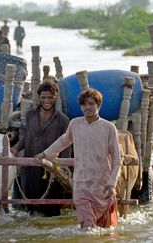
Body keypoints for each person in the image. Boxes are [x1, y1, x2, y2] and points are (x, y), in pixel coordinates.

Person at [35, 88, 121, 229]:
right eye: (84, 104)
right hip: (81, 183)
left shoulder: (109, 128)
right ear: (80, 107)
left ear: (98, 105)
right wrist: (45, 154)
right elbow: (64, 141)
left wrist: (112, 183)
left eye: (91, 104)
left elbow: (117, 160)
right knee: (87, 224)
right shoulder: (75, 124)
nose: (87, 107)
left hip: (102, 185)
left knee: (103, 227)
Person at [11, 80, 71, 217]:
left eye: (50, 97)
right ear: (38, 98)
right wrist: (15, 149)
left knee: (51, 213)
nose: (46, 101)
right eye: (43, 97)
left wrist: (63, 169)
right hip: (31, 168)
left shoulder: (63, 120)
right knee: (31, 212)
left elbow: (66, 145)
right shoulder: (30, 115)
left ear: (56, 97)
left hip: (52, 171)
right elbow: (25, 138)